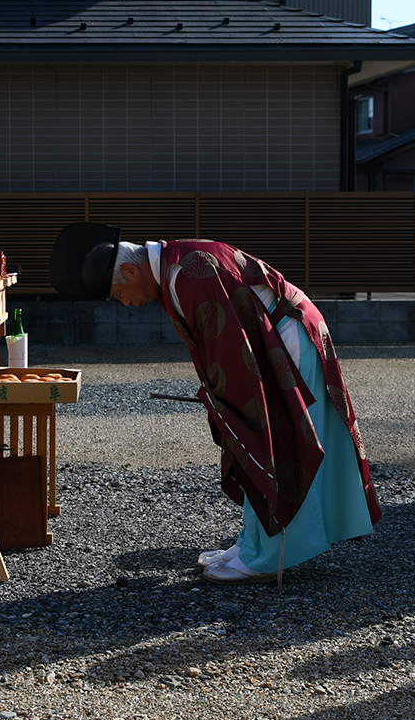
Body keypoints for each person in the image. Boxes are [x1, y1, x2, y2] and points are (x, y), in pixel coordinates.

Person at [48, 223, 380, 585]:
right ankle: (253, 543)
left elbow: (232, 354)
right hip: (275, 339)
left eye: (119, 293)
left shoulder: (190, 271)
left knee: (269, 439)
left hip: (286, 344)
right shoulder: (178, 265)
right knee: (252, 438)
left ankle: (269, 556)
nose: (127, 302)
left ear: (131, 270)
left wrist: (223, 401)